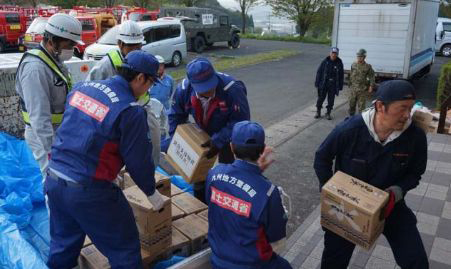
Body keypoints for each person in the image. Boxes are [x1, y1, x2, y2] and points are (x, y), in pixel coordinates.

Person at [44, 51, 168, 269]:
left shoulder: (84, 88)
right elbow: (138, 162)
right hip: (89, 192)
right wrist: (150, 191)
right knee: (124, 247)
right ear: (140, 78)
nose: (149, 89)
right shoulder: (130, 111)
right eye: (150, 83)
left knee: (63, 244)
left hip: (54, 180)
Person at [314, 80, 428, 269]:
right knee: (334, 261)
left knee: (416, 261)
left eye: (410, 108)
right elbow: (321, 158)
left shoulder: (415, 137)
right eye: (401, 108)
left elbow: (415, 173)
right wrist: (332, 195)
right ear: (380, 106)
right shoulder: (350, 130)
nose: (407, 115)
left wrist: (397, 192)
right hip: (347, 207)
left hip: (391, 205)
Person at [206, 120, 291, 269]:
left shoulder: (214, 174)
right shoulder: (269, 192)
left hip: (218, 259)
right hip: (253, 264)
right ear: (263, 149)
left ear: (231, 147)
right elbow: (277, 240)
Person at [168, 57, 250, 201]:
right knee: (198, 171)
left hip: (226, 133)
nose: (209, 90)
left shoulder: (232, 89)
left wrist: (218, 141)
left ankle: (227, 199)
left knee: (228, 171)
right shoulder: (184, 90)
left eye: (211, 85)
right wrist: (179, 140)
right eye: (204, 88)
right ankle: (201, 202)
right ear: (193, 84)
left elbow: (240, 122)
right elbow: (176, 115)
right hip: (202, 130)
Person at [15, 13, 83, 174]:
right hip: (43, 135)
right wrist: (51, 150)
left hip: (57, 130)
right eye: (69, 44)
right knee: (53, 177)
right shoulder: (35, 69)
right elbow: (39, 117)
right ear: (53, 41)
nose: (72, 49)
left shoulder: (53, 60)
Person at [314, 47, 344, 120]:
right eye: (332, 53)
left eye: (335, 53)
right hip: (324, 83)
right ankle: (318, 111)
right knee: (321, 98)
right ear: (330, 53)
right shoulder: (325, 61)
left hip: (333, 84)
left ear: (337, 54)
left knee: (331, 100)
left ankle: (328, 113)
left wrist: (340, 85)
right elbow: (319, 72)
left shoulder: (339, 63)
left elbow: (341, 75)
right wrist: (317, 82)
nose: (333, 55)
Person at [348, 48, 376, 116]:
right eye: (358, 56)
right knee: (351, 105)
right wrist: (350, 84)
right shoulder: (353, 64)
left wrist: (371, 86)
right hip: (353, 89)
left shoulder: (367, 66)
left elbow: (372, 76)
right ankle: (351, 118)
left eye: (361, 56)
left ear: (364, 57)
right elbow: (351, 74)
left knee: (361, 108)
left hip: (362, 90)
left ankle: (360, 120)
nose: (359, 58)